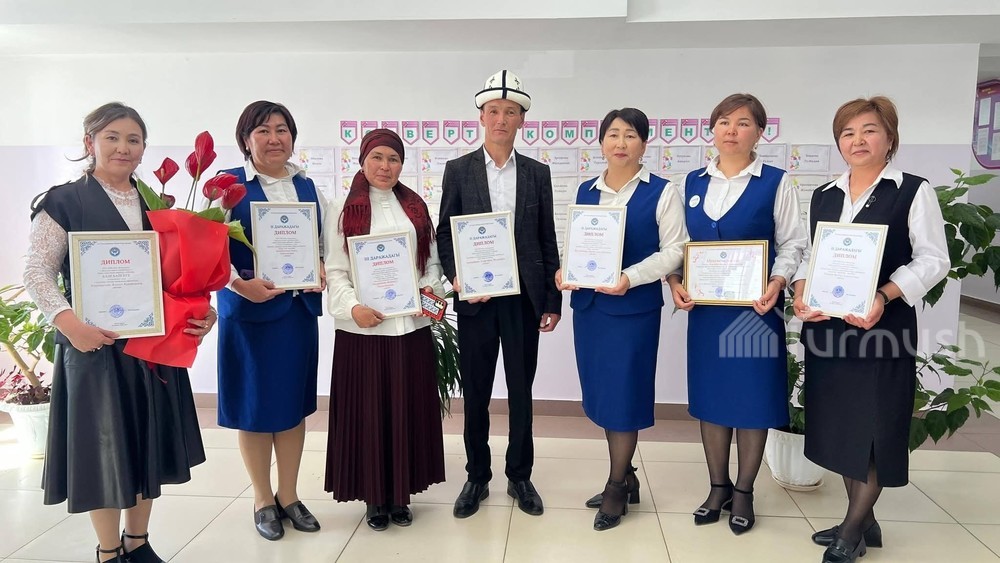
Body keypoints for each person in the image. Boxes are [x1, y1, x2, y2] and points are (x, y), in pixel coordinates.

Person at [25, 102, 213, 563]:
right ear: (89, 142)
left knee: (146, 443)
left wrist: (202, 313)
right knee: (103, 450)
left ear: (144, 148)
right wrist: (69, 324)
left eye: (133, 139)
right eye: (112, 137)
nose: (123, 148)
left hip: (153, 348)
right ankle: (108, 550)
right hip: (93, 349)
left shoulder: (157, 207)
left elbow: (175, 278)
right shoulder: (63, 202)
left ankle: (138, 541)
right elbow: (37, 273)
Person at [792, 96, 948, 563]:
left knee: (875, 426)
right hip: (830, 330)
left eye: (869, 130)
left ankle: (851, 530)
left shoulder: (912, 190)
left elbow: (933, 259)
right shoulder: (825, 194)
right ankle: (864, 522)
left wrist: (884, 295)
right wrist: (801, 290)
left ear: (890, 138)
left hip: (883, 327)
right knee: (844, 425)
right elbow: (810, 254)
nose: (857, 140)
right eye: (847, 133)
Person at [666, 93, 807, 535]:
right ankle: (718, 487)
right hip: (706, 313)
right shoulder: (689, 184)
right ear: (712, 129)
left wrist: (778, 282)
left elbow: (793, 244)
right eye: (724, 121)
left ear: (760, 132)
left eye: (743, 123)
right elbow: (674, 245)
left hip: (755, 312)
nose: (731, 130)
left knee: (752, 400)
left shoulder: (776, 183)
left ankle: (744, 491)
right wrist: (674, 281)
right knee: (711, 399)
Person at [436, 69, 562, 518]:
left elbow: (547, 238)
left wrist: (552, 301)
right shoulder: (458, 170)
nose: (501, 119)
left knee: (521, 392)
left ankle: (519, 475)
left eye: (510, 112)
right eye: (494, 111)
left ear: (522, 119)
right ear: (481, 117)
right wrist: (457, 278)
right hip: (477, 300)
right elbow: (445, 234)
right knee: (476, 392)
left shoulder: (537, 173)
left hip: (524, 300)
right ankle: (477, 475)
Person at [557, 108, 687, 530]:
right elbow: (575, 242)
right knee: (602, 394)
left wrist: (630, 277)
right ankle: (626, 475)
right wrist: (564, 268)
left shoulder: (662, 192)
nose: (620, 143)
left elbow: (675, 250)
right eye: (612, 134)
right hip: (591, 311)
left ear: (644, 143)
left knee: (624, 396)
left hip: (633, 312)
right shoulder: (585, 189)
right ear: (601, 142)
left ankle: (616, 487)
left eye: (630, 135)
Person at [324, 128, 446, 531]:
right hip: (363, 331)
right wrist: (353, 308)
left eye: (393, 159)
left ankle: (401, 494)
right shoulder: (342, 209)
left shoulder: (414, 206)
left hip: (410, 328)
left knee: (405, 409)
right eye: (376, 157)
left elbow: (431, 264)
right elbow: (336, 270)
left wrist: (429, 292)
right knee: (369, 412)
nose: (385, 166)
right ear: (362, 161)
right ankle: (374, 497)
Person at [216, 100, 325, 541]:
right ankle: (263, 499)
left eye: (282, 130)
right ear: (246, 139)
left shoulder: (306, 185)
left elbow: (320, 242)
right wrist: (238, 284)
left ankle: (289, 495)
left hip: (296, 314)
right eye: (263, 130)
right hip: (249, 315)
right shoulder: (226, 187)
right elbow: (206, 252)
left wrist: (320, 266)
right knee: (255, 409)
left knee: (292, 407)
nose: (274, 138)